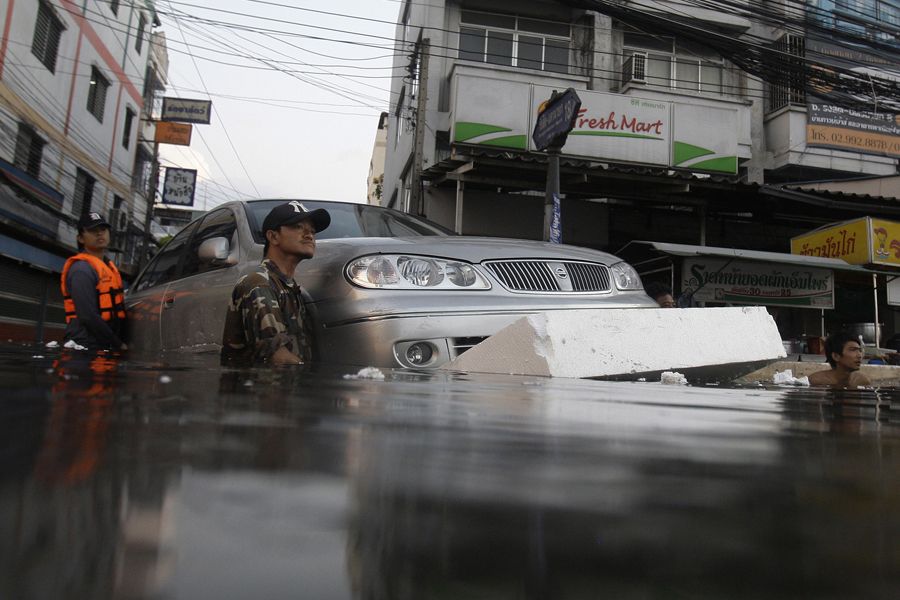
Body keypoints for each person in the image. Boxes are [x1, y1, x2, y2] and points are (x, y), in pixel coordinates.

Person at [221, 201, 330, 366]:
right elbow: (279, 358)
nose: (309, 235)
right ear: (273, 236)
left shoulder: (290, 288)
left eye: (313, 231)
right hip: (258, 388)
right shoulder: (258, 284)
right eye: (298, 227)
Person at [60, 212, 127, 351]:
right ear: (80, 238)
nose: (99, 234)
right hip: (84, 347)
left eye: (103, 230)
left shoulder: (108, 266)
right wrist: (119, 344)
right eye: (92, 231)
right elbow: (87, 316)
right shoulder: (81, 269)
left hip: (101, 345)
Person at [807, 330, 872, 389]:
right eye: (852, 350)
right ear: (836, 356)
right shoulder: (816, 381)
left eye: (859, 350)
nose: (859, 355)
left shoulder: (862, 380)